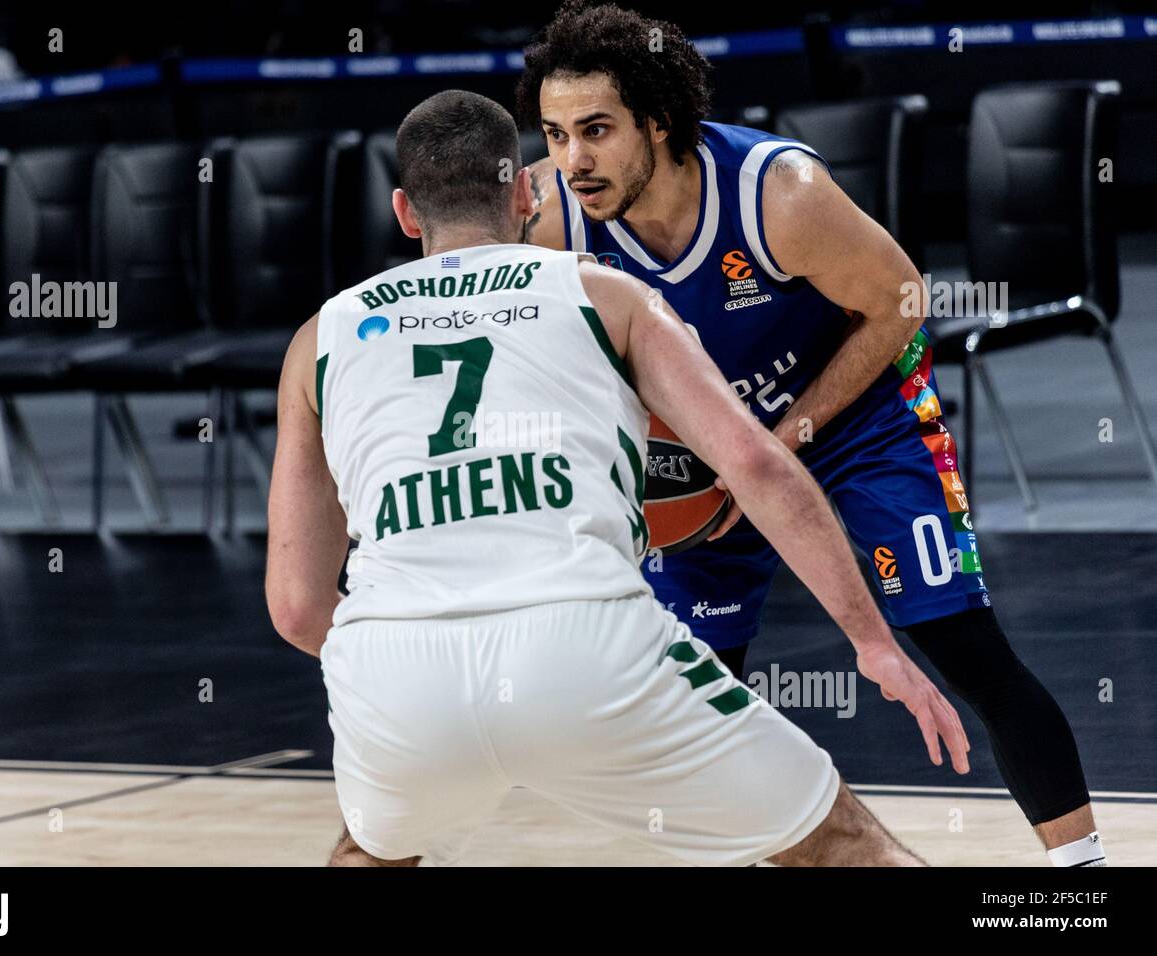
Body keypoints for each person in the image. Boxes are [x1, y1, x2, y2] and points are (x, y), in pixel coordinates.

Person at [265, 89, 968, 867]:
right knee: (837, 845)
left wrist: (420, 663)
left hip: (394, 670)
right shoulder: (604, 294)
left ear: (405, 211)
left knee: (370, 850)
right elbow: (757, 464)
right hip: (585, 650)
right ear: (528, 192)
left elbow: (298, 608)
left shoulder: (318, 338)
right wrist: (872, 642)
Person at [516, 0, 1104, 866]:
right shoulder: (555, 217)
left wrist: (790, 431)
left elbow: (903, 302)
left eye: (596, 131)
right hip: (709, 450)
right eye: (555, 134)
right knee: (700, 696)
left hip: (856, 420)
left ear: (659, 120)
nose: (572, 159)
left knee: (963, 646)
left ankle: (1078, 879)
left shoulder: (776, 193)